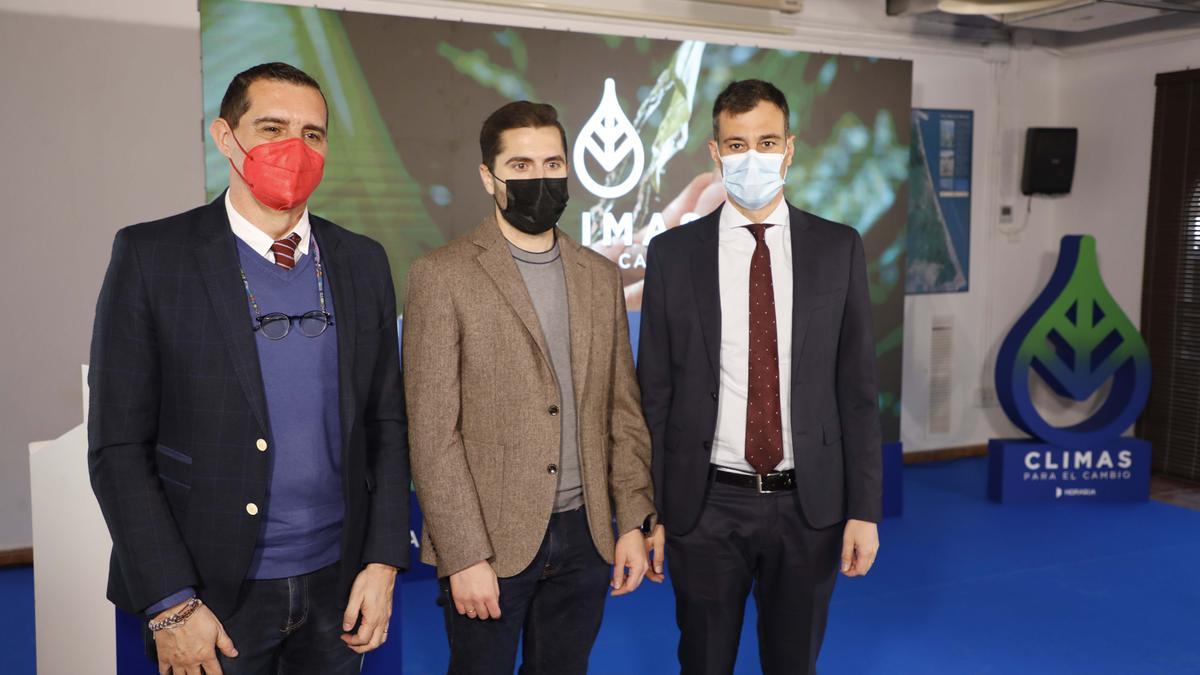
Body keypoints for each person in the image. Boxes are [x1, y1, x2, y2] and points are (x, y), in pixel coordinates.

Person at [87, 62, 409, 674]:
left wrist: (383, 561)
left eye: (313, 134)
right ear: (225, 137)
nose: (295, 148)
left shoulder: (363, 262)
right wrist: (172, 604)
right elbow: (118, 447)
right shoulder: (153, 257)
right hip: (211, 594)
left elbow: (385, 424)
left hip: (338, 586)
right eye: (272, 127)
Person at [636, 78, 883, 674]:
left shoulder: (838, 248)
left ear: (790, 149)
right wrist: (650, 511)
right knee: (703, 661)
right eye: (738, 144)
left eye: (767, 141)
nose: (754, 157)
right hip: (705, 504)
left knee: (794, 664)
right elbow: (655, 394)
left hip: (810, 505)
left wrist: (865, 510)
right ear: (716, 153)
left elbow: (857, 391)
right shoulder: (673, 254)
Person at [404, 100, 658, 675]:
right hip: (490, 543)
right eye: (519, 166)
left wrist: (634, 521)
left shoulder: (598, 275)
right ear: (488, 177)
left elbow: (623, 413)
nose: (538, 178)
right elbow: (432, 431)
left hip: (586, 535)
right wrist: (464, 554)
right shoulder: (440, 276)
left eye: (551, 163)